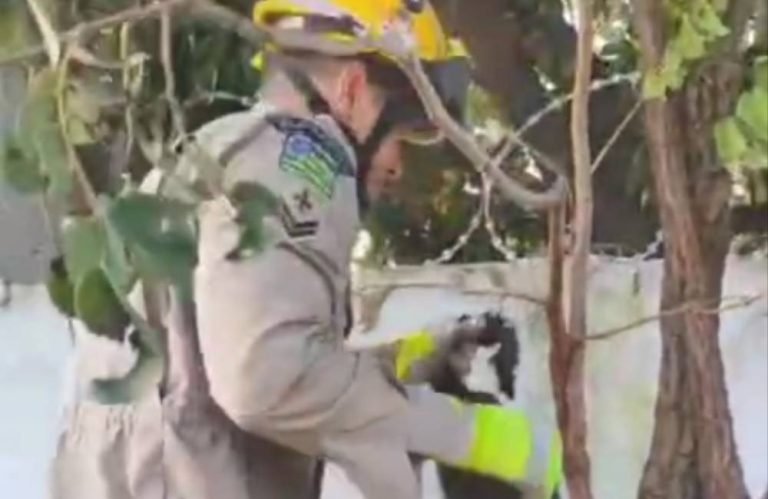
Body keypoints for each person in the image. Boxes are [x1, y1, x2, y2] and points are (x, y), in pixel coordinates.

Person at [188, 1, 563, 498]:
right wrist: (475, 439)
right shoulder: (294, 164)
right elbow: (263, 381)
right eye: (400, 137)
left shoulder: (221, 151)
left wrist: (390, 365)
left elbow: (219, 353)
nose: (398, 167)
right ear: (352, 88)